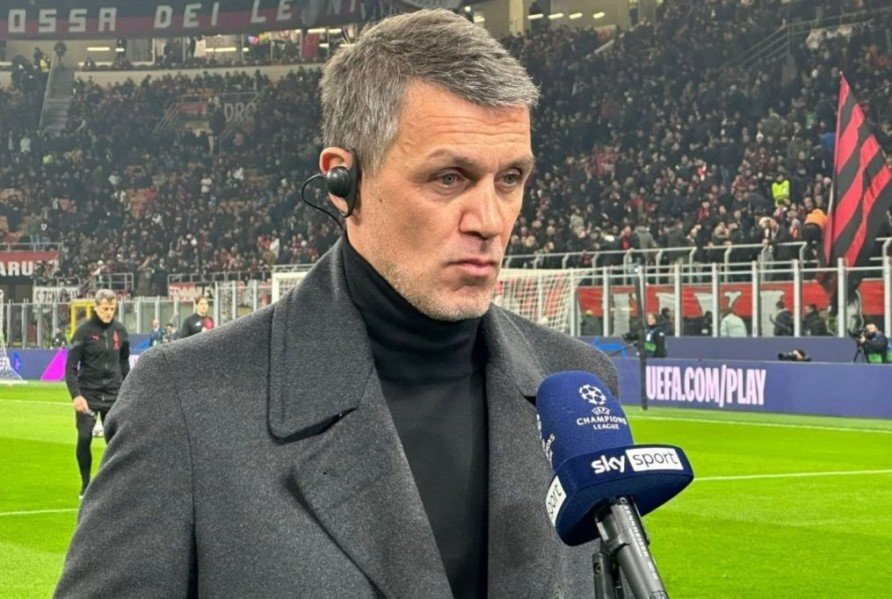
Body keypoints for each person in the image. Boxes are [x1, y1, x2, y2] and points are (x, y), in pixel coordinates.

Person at [56, 10, 617, 597]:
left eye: (510, 178)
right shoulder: (184, 401)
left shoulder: (577, 387)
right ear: (343, 181)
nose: (490, 220)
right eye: (449, 178)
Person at [63, 289, 130, 498]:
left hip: (114, 393)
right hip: (88, 394)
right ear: (96, 307)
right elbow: (70, 367)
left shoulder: (120, 331)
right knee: (84, 437)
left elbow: (124, 363)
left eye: (112, 309)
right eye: (105, 309)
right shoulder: (83, 332)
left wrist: (128, 390)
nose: (109, 313)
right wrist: (76, 395)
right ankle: (85, 485)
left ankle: (116, 484)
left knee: (117, 441)